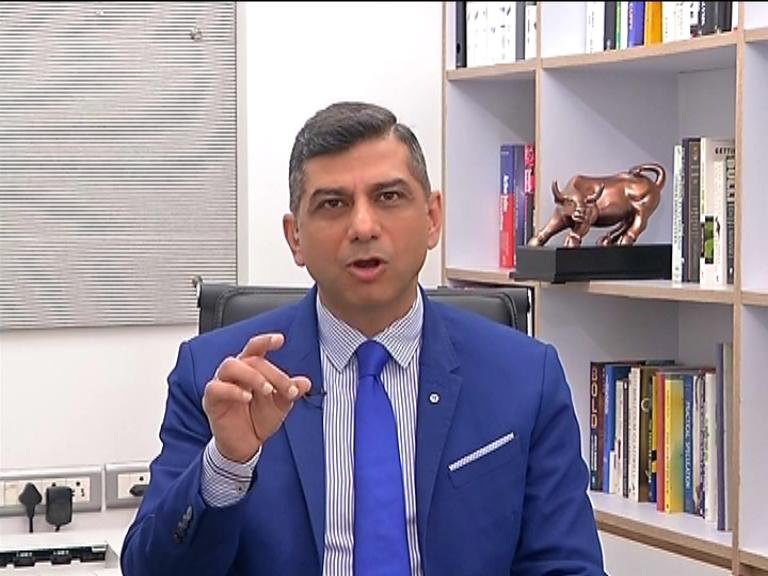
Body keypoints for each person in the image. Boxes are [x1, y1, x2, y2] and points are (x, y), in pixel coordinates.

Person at [121, 101, 605, 575]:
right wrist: (227, 464)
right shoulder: (219, 379)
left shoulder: (525, 377)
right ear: (295, 237)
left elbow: (566, 566)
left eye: (389, 197)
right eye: (333, 204)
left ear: (433, 218)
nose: (363, 227)